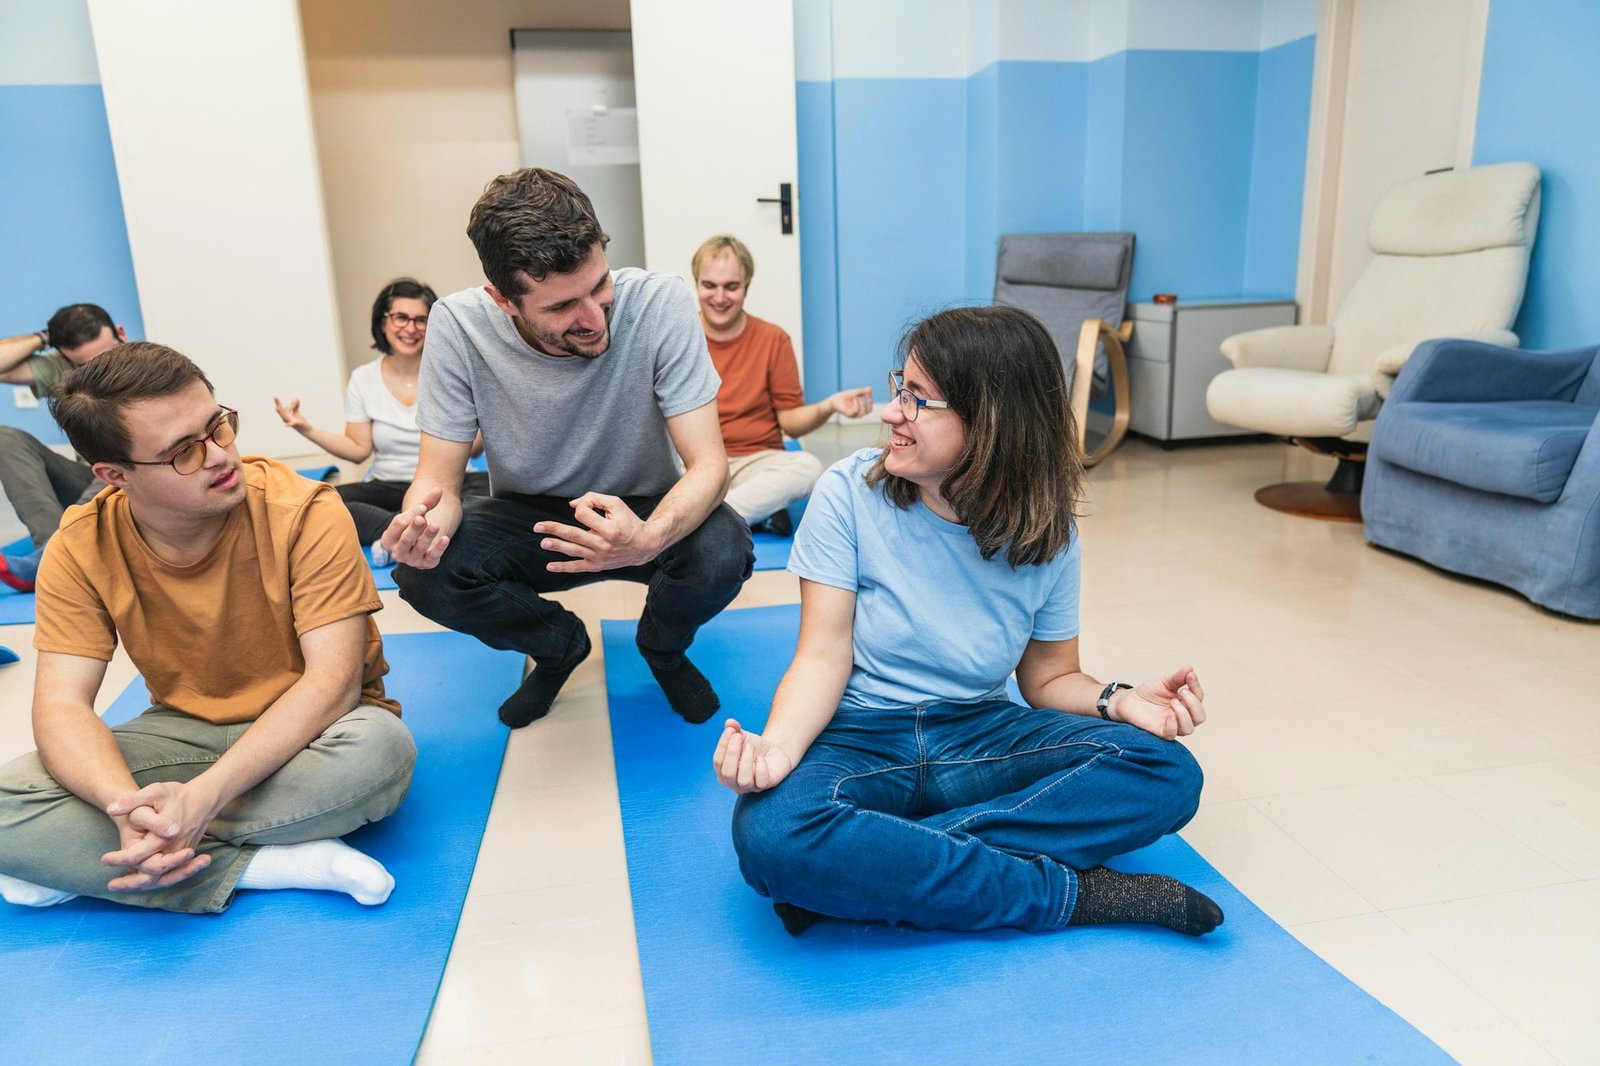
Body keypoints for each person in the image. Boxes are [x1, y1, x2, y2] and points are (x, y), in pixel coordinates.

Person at [712, 306, 1223, 938]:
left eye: (919, 400)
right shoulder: (847, 494)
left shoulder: (1048, 531)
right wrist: (777, 750)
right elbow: (822, 656)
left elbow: (1048, 678)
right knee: (771, 834)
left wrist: (1119, 701)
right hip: (860, 734)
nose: (892, 412)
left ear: (990, 424)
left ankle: (870, 869)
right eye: (902, 387)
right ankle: (1070, 896)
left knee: (1167, 773)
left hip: (978, 735)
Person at [0, 343, 416, 914]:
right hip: (185, 731)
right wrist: (124, 804)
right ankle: (269, 866)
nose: (222, 456)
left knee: (381, 755)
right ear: (113, 475)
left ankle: (83, 859)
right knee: (6, 800)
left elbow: (335, 682)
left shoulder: (305, 510)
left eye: (219, 426)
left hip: (318, 733)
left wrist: (201, 800)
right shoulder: (80, 542)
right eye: (184, 453)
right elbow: (61, 706)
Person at [380, 168, 753, 729]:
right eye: (561, 308)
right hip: (530, 515)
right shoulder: (458, 326)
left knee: (726, 550)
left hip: (645, 503)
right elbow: (439, 481)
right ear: (503, 300)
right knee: (423, 574)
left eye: (598, 287)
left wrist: (648, 538)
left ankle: (662, 648)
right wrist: (421, 524)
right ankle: (559, 646)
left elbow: (709, 465)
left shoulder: (661, 303)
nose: (593, 317)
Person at [273, 278, 489, 544]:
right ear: (383, 321)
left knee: (494, 504)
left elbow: (475, 448)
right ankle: (410, 533)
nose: (411, 328)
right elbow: (358, 449)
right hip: (390, 485)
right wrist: (305, 428)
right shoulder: (363, 379)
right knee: (322, 503)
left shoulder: (452, 372)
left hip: (452, 484)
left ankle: (409, 533)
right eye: (401, 317)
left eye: (421, 320)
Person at [692, 235, 873, 534]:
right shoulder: (680, 336)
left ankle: (702, 519)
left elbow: (791, 422)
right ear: (697, 283)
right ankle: (747, 512)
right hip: (696, 463)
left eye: (731, 287)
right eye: (709, 285)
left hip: (756, 464)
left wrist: (830, 405)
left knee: (808, 468)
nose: (720, 297)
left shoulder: (773, 339)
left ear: (746, 287)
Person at [0, 303, 128, 591]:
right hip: (88, 483)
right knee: (4, 438)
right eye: (85, 365)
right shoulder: (62, 368)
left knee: (120, 455)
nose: (99, 370)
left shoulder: (146, 366)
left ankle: (54, 554)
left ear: (121, 334)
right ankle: (53, 551)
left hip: (134, 481)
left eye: (106, 355)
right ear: (64, 357)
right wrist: (45, 337)